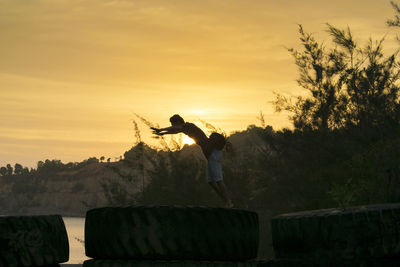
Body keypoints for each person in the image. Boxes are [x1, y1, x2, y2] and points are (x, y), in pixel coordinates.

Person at [151, 114, 234, 208]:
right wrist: (163, 132)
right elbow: (175, 130)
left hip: (214, 154)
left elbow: (176, 128)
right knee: (211, 181)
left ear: (178, 122)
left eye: (173, 124)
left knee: (218, 180)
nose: (173, 126)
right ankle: (226, 200)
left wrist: (161, 130)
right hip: (211, 154)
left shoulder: (188, 126)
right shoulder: (187, 128)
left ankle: (228, 202)